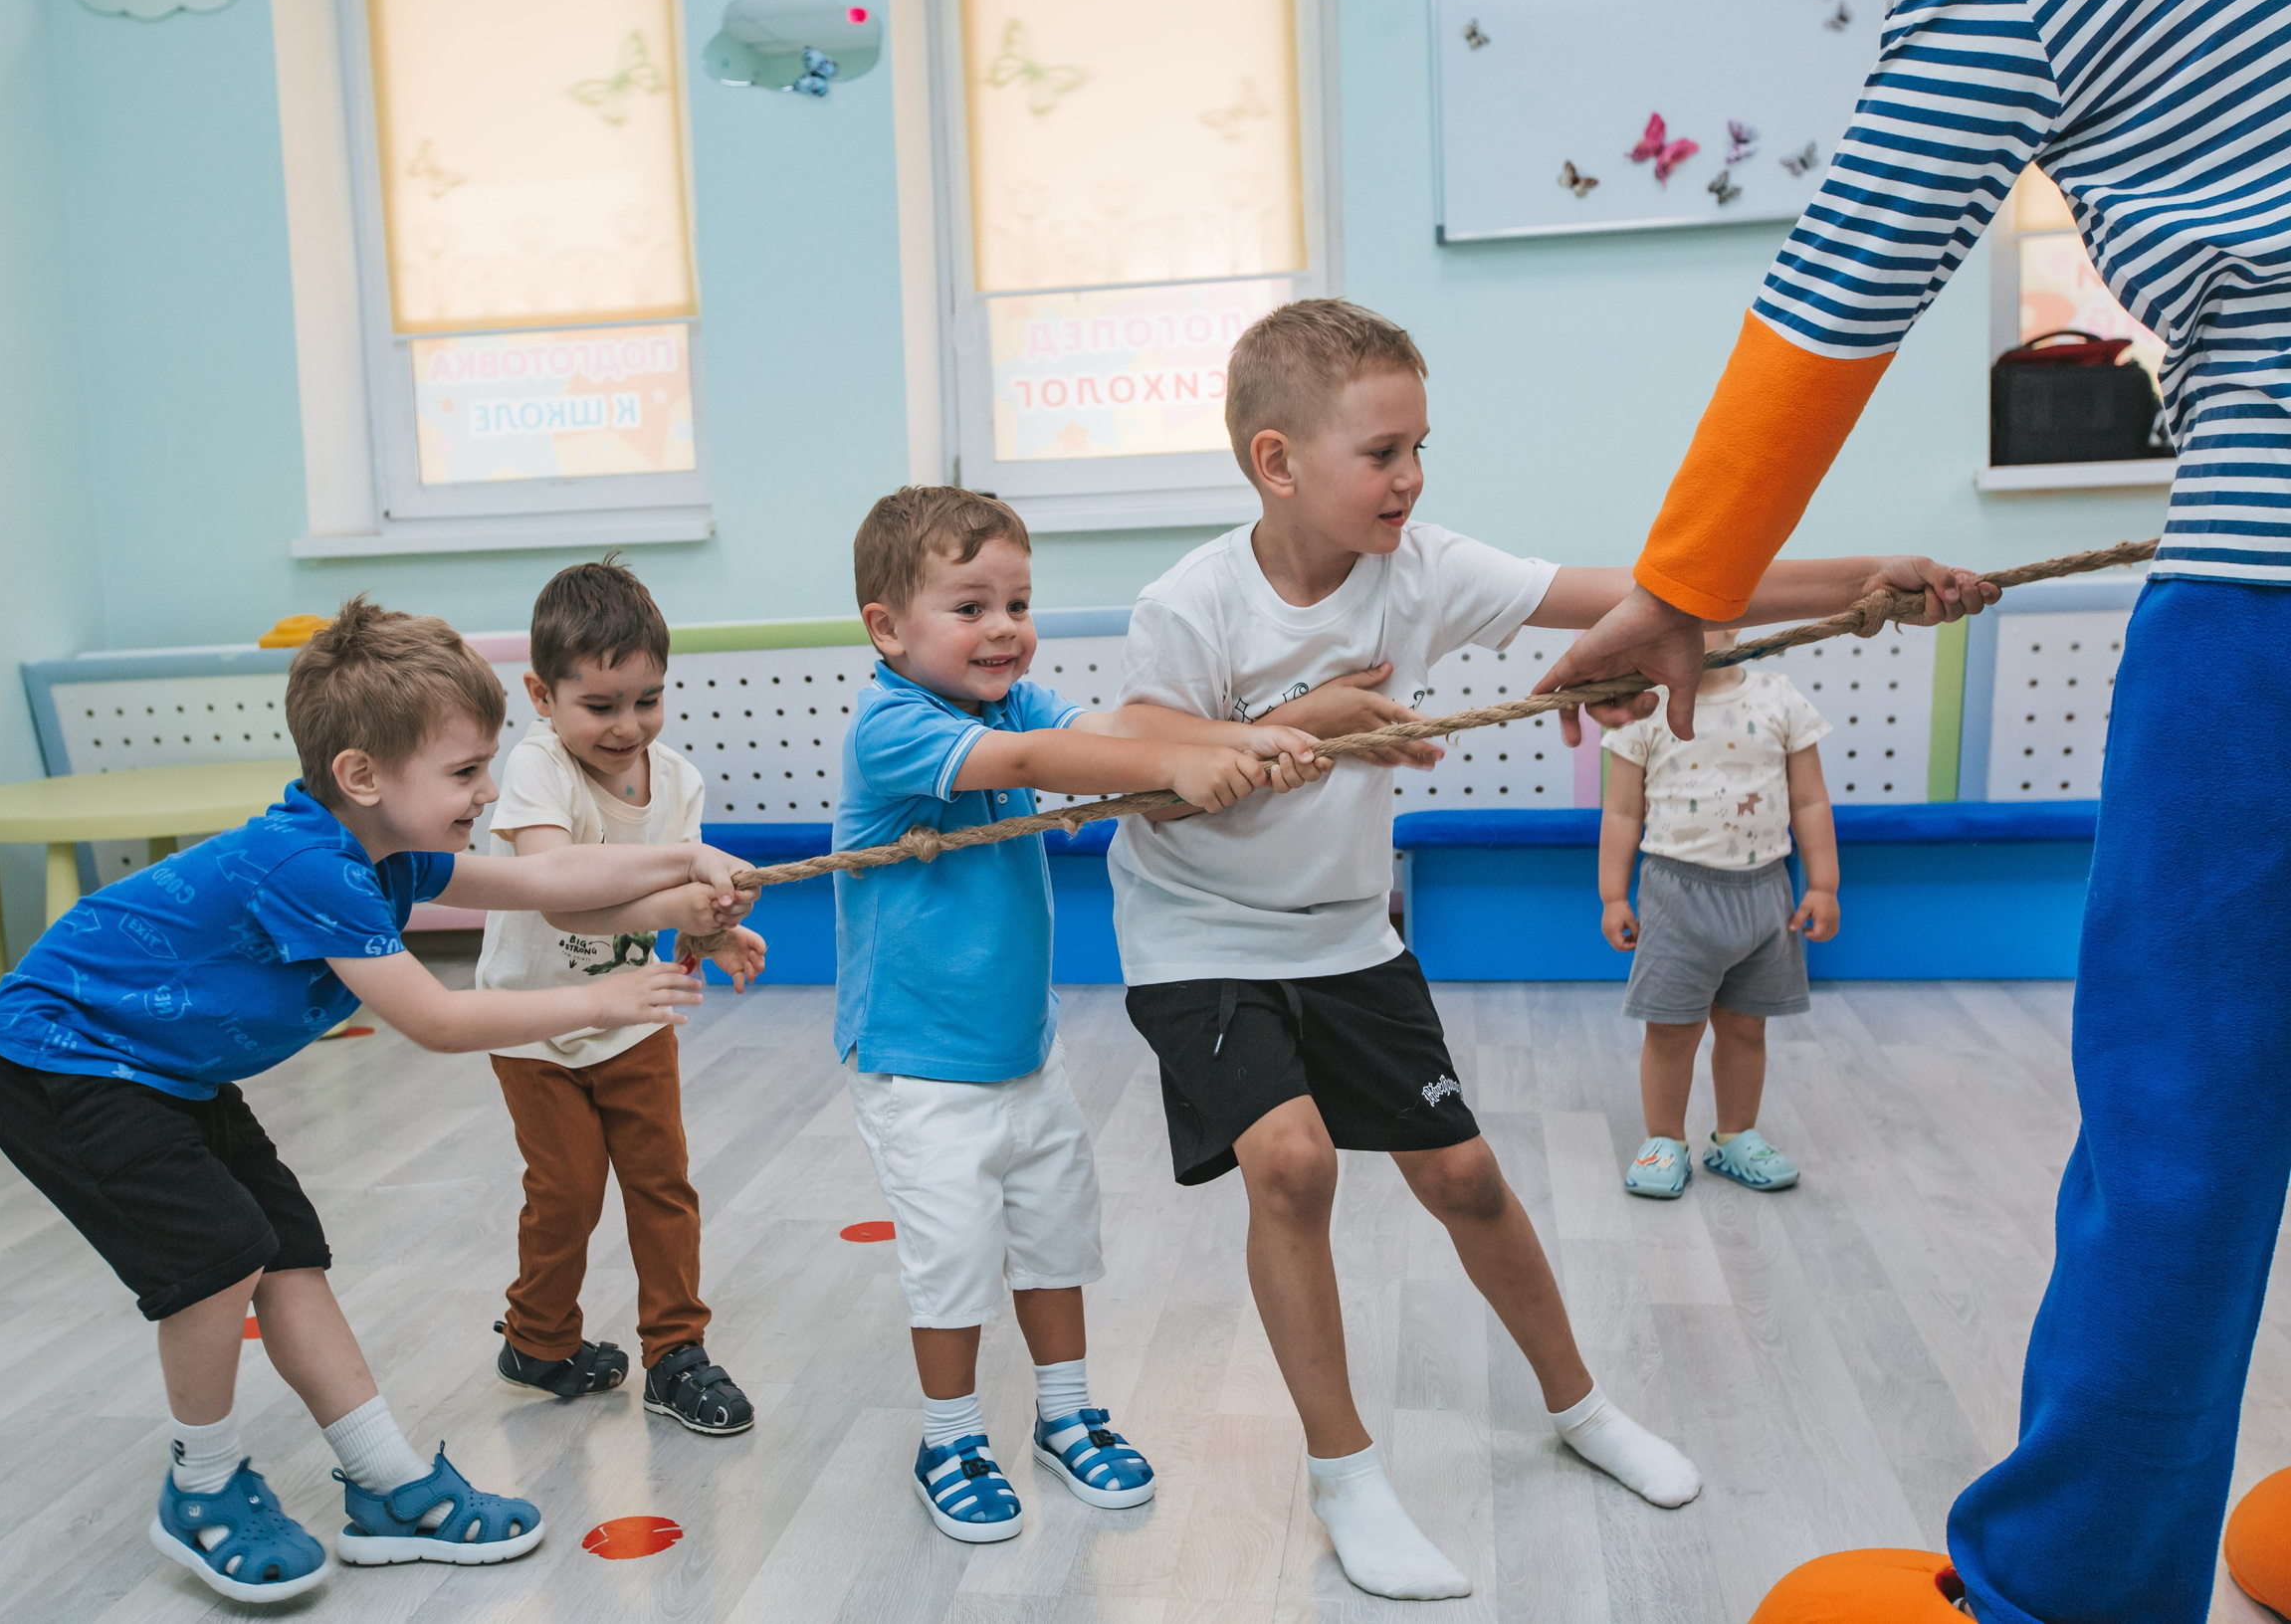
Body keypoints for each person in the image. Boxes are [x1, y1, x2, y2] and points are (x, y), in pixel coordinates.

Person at [1533, 0, 2291, 1619]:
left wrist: (1688, 577)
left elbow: (1855, 258)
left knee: (2189, 1122)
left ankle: (2071, 1588)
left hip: (2272, 577)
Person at [1109, 298, 1991, 1600]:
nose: (1410, 477)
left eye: (1421, 447)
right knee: (1290, 1165)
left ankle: (1579, 1405)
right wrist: (1310, 715)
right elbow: (1143, 787)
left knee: (1464, 1176)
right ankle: (1347, 1472)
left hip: (1348, 931)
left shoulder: (1426, 569)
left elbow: (1662, 589)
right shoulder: (1187, 605)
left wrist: (1874, 579)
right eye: (1381, 452)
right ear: (1277, 461)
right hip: (1199, 933)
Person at [0, 597, 753, 1604]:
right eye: (465, 772)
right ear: (362, 776)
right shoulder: (312, 865)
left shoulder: (387, 852)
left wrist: (687, 857)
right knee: (216, 1259)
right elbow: (432, 1019)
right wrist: (601, 993)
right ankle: (202, 1487)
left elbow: (549, 876)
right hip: (62, 1064)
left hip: (164, 1073)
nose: (483, 793)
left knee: (287, 1253)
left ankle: (385, 1482)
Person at [837, 485, 1325, 1544]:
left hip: (1023, 1053)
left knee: (1056, 1242)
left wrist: (1264, 737)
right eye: (969, 606)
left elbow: (1107, 738)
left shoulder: (1009, 699)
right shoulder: (893, 724)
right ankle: (950, 1436)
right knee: (953, 1258)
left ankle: (1064, 1414)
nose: (1004, 627)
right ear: (887, 628)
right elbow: (1036, 766)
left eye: (1017, 601)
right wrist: (1180, 758)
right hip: (920, 1067)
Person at [477, 558, 765, 1433]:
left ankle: (675, 1352)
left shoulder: (675, 780)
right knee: (567, 1190)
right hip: (536, 1024)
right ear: (541, 693)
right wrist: (681, 887)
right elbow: (560, 887)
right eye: (600, 706)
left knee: (661, 1182)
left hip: (636, 1015)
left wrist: (710, 927)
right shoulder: (536, 770)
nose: (627, 724)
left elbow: (681, 883)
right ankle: (538, 1337)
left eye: (646, 699)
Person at [1597, 629, 1838, 1199]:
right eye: (1679, 615)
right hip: (1677, 893)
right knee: (1671, 1029)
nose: (1698, 627)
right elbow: (1622, 812)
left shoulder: (1780, 699)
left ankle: (1735, 1136)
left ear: (1740, 614)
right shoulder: (1644, 706)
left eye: (1713, 610)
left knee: (1746, 1027)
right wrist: (1613, 895)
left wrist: (1823, 884)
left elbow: (1809, 799)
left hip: (1765, 893)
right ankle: (1664, 1142)